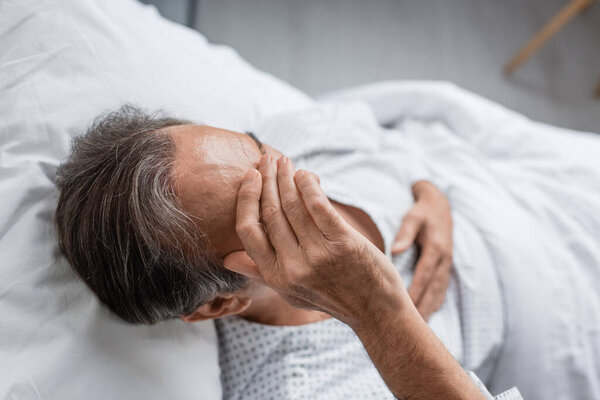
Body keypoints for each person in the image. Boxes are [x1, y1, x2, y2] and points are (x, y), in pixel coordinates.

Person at [51, 103, 564, 399]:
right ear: (219, 303)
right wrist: (376, 312)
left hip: (533, 189)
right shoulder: (307, 387)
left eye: (263, 155)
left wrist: (431, 189)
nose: (305, 184)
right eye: (267, 215)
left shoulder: (292, 140)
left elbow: (393, 132)